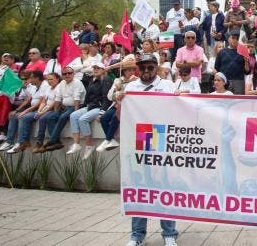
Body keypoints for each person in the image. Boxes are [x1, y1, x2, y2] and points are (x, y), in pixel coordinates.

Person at [124, 53, 178, 246]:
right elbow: (122, 115)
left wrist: (182, 99)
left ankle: (169, 234)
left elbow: (180, 111)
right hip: (139, 138)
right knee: (140, 187)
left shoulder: (169, 86)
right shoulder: (130, 87)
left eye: (150, 67)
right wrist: (119, 100)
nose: (146, 71)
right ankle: (137, 236)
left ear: (157, 68)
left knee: (164, 186)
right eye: (142, 68)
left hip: (161, 136)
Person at [67, 63, 112, 159]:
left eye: (98, 68)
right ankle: (76, 144)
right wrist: (84, 106)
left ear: (103, 69)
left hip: (99, 107)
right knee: (73, 115)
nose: (95, 69)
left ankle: (89, 146)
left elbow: (106, 98)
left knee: (82, 119)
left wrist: (102, 112)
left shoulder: (106, 80)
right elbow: (88, 96)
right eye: (94, 68)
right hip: (91, 106)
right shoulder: (92, 80)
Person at [42, 67, 85, 153]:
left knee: (62, 117)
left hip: (76, 106)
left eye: (69, 73)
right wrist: (55, 112)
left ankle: (51, 140)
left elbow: (77, 99)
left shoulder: (77, 83)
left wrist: (75, 113)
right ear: (62, 75)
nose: (67, 75)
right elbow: (58, 99)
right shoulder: (62, 83)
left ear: (73, 74)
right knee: (51, 117)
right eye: (65, 74)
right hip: (65, 107)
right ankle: (56, 142)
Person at [5, 71, 48, 153]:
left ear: (37, 78)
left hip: (41, 110)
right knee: (13, 115)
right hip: (33, 109)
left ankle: (22, 142)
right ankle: (9, 141)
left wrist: (25, 111)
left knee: (23, 117)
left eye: (32, 78)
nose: (30, 80)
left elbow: (40, 102)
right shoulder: (34, 87)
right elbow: (28, 99)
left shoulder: (44, 85)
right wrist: (17, 110)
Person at [214, 30, 250, 95]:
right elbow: (216, 68)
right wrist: (219, 82)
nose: (235, 40)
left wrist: (246, 61)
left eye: (237, 39)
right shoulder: (222, 52)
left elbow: (247, 71)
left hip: (239, 82)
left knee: (238, 102)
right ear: (228, 39)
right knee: (225, 102)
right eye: (233, 38)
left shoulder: (243, 52)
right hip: (224, 82)